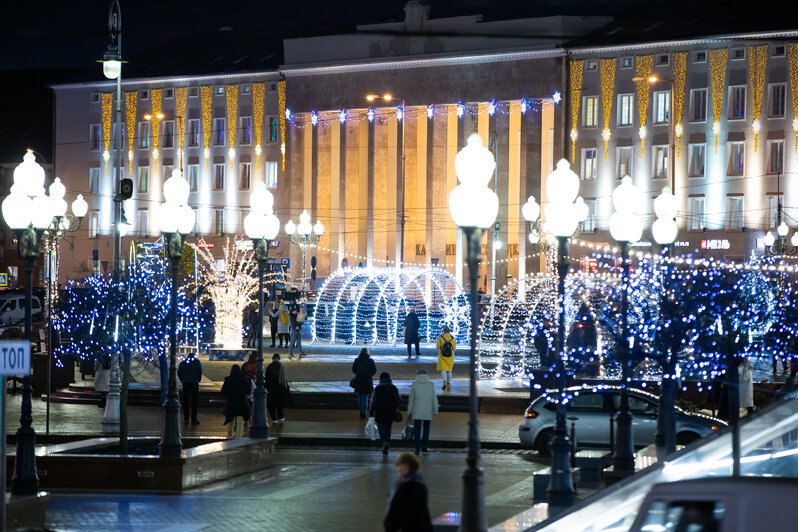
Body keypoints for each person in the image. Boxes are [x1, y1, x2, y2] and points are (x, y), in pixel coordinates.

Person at [383, 453, 433, 532]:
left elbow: (399, 512)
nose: (397, 469)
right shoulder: (420, 482)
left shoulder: (406, 486)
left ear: (406, 466)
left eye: (399, 465)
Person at [407, 369, 438, 455]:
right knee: (426, 428)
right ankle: (425, 446)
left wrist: (409, 411)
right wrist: (435, 410)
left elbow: (411, 399)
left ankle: (417, 448)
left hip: (417, 409)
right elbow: (434, 398)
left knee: (417, 429)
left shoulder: (415, 384)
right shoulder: (431, 384)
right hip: (428, 409)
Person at [370, 372, 401, 454]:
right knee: (388, 427)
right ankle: (387, 441)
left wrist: (371, 411)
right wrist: (396, 407)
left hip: (379, 411)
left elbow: (373, 401)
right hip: (390, 411)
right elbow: (398, 399)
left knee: (381, 428)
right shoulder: (393, 388)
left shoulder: (377, 388)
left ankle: (384, 442)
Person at [221, 364, 251, 437]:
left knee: (230, 421)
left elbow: (223, 392)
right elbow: (248, 391)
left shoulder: (228, 380)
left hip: (231, 402)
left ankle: (229, 436)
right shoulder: (244, 380)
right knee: (240, 421)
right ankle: (238, 437)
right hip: (241, 402)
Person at [177, 352, 203, 425]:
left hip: (185, 383)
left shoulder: (183, 363)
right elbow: (199, 372)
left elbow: (179, 372)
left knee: (186, 401)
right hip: (194, 383)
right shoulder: (197, 362)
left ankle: (186, 419)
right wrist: (198, 380)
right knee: (194, 402)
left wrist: (183, 380)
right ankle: (194, 419)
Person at [352, 348, 377, 419]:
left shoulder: (357, 360)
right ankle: (363, 412)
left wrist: (358, 374)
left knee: (360, 396)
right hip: (367, 380)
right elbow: (374, 370)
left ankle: (361, 411)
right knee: (365, 397)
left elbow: (353, 369)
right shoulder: (370, 361)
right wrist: (369, 375)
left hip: (359, 379)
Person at [265, 353, 287, 423]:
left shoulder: (269, 366)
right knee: (280, 403)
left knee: (272, 403)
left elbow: (266, 378)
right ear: (279, 358)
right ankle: (281, 417)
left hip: (271, 388)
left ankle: (274, 418)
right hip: (279, 387)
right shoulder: (281, 366)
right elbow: (283, 378)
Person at [435, 326, 456, 391]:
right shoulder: (452, 338)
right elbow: (454, 349)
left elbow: (438, 347)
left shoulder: (441, 337)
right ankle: (448, 383)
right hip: (450, 356)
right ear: (449, 331)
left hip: (442, 355)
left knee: (443, 369)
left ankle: (444, 382)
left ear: (443, 331)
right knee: (449, 370)